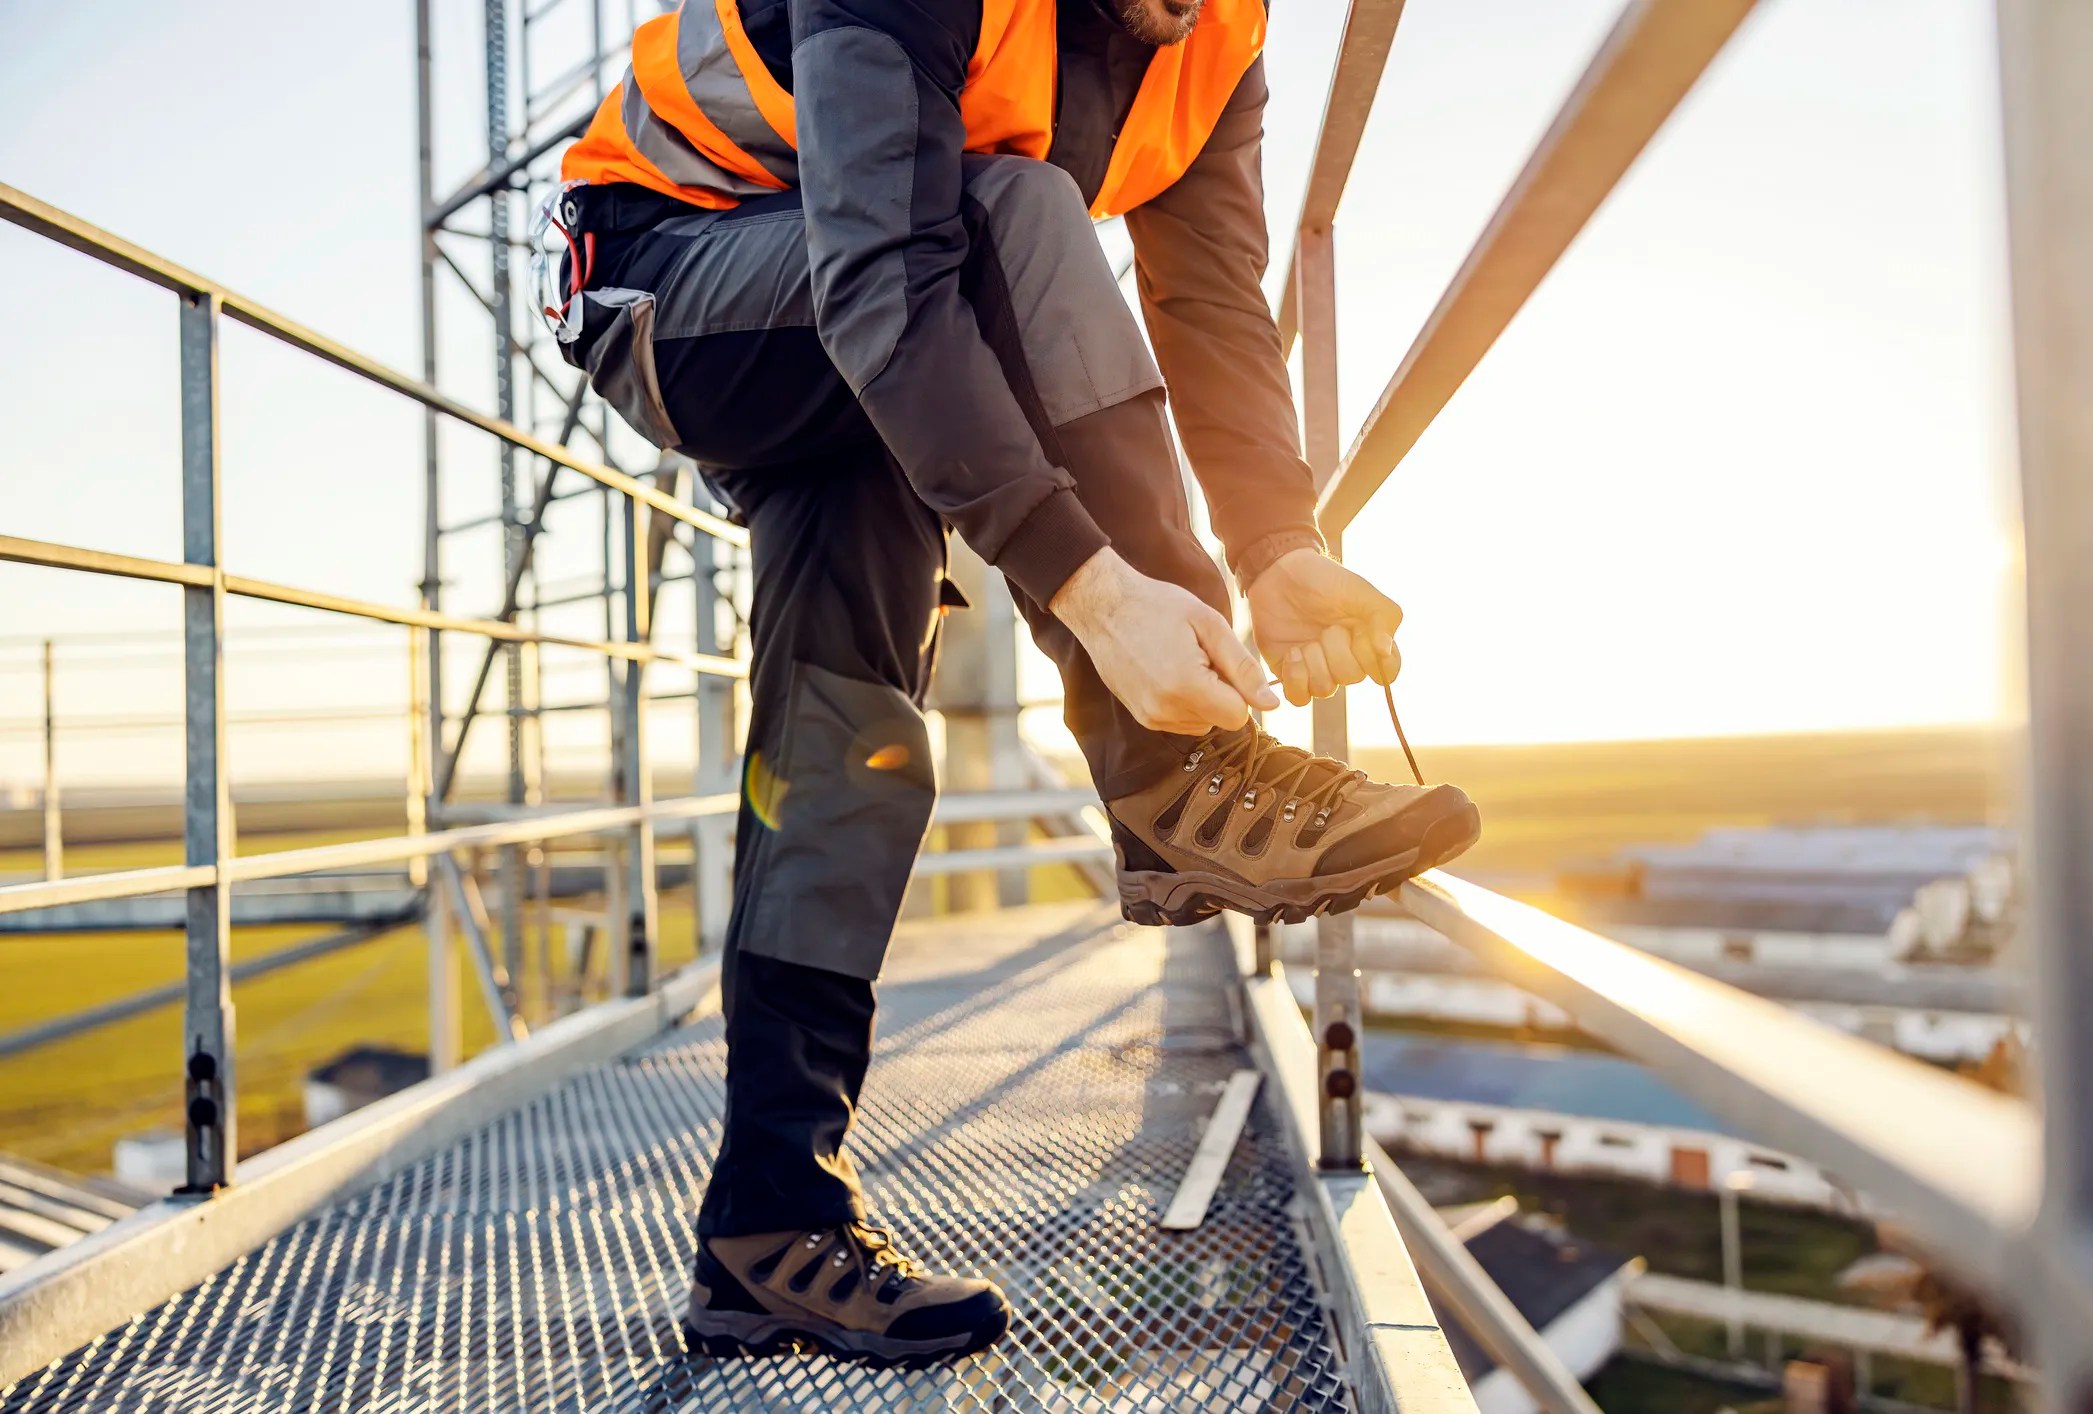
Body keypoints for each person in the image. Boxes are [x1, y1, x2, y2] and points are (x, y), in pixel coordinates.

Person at [550, 0, 1480, 1368]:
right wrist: (1101, 600)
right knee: (1018, 210)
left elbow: (1211, 300)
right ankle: (1176, 782)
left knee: (846, 739)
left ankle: (767, 1228)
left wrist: (1278, 546)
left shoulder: (1213, 37)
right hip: (668, 275)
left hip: (857, 289)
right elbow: (895, 278)